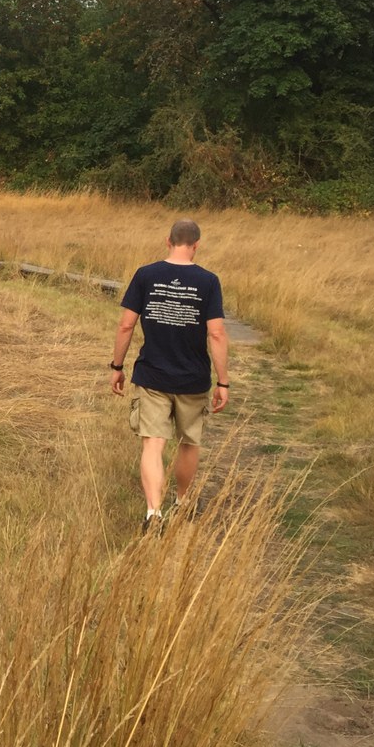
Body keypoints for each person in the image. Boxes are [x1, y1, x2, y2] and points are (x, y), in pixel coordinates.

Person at [109, 218, 229, 533]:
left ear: (168, 241)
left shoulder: (146, 275)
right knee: (189, 442)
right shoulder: (208, 281)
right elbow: (216, 335)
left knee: (153, 444)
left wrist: (117, 366)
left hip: (152, 375)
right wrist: (223, 381)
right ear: (196, 245)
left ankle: (153, 513)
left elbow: (125, 325)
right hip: (194, 378)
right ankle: (182, 503)